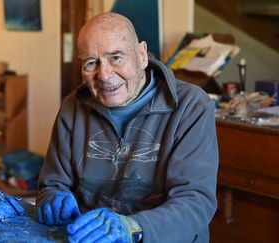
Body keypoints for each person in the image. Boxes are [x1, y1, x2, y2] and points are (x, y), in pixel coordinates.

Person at [37, 12, 218, 243]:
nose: (103, 74)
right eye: (91, 63)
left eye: (115, 58)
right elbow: (52, 184)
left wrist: (134, 227)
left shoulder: (191, 106)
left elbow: (195, 203)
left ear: (142, 55)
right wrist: (53, 198)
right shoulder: (72, 107)